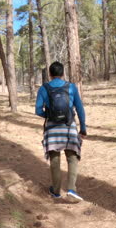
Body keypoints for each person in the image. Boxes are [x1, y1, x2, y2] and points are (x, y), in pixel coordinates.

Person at [35, 61, 87, 202]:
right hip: (69, 127)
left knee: (55, 160)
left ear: (50, 74)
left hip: (52, 130)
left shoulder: (43, 88)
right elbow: (80, 109)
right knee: (72, 158)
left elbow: (38, 110)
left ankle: (56, 191)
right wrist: (83, 128)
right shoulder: (71, 87)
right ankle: (71, 189)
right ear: (63, 73)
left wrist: (50, 115)